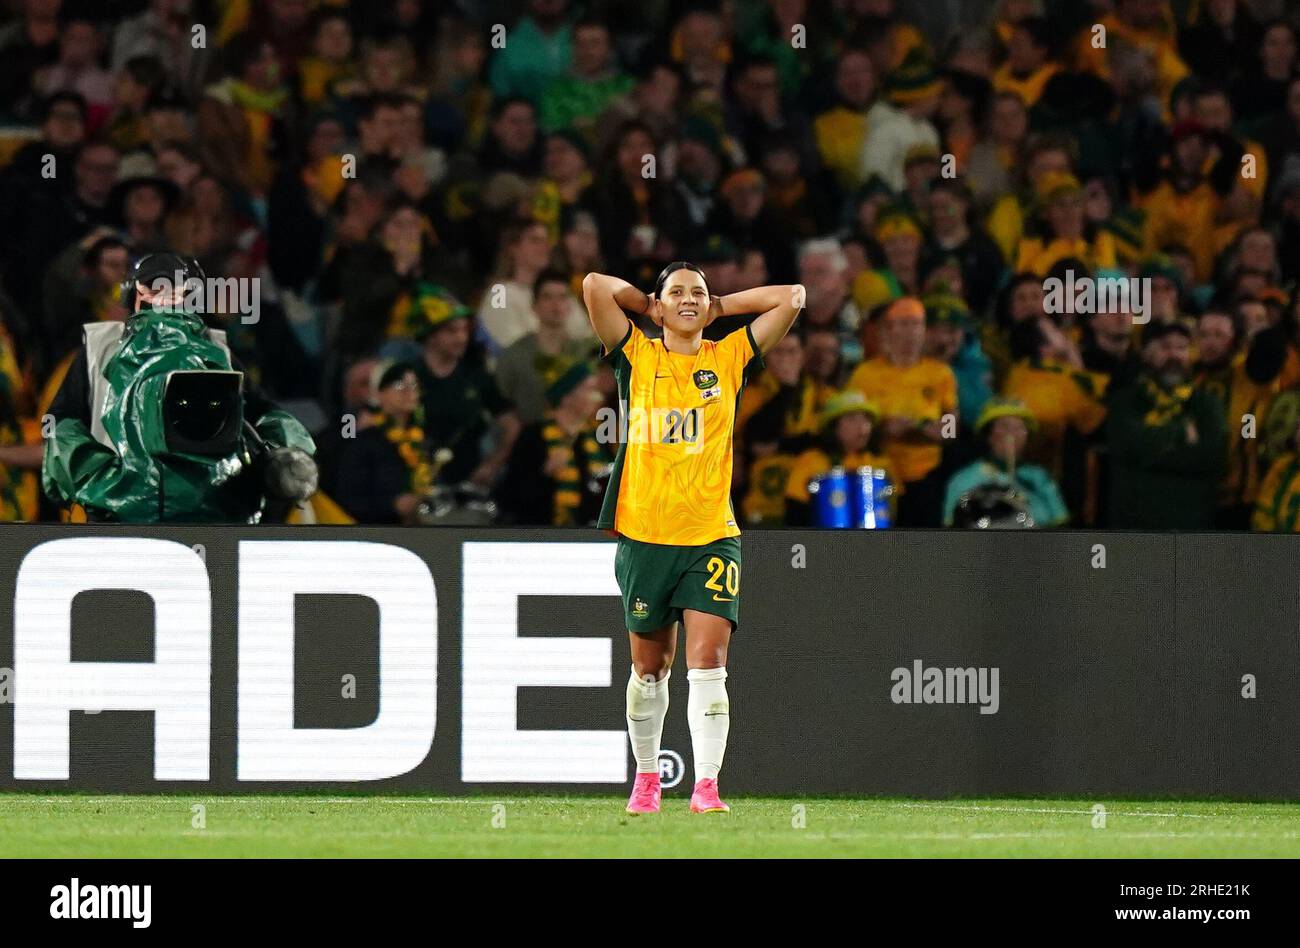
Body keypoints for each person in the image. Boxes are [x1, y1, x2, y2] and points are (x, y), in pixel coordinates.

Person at [582, 261, 803, 815]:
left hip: (711, 533)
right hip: (645, 533)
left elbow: (792, 297)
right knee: (649, 670)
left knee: (709, 661)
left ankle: (706, 787)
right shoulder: (637, 354)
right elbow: (593, 286)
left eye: (697, 293)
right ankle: (648, 778)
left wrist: (721, 306)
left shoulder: (727, 357)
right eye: (676, 292)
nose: (689, 299)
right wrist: (648, 305)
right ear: (657, 304)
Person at [42, 250, 316, 522]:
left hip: (208, 513)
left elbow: (263, 416)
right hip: (130, 519)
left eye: (178, 290)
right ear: (135, 295)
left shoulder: (219, 351)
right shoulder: (99, 349)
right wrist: (109, 483)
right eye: (155, 287)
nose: (166, 296)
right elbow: (59, 427)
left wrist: (280, 457)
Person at [943, 398, 1068, 528]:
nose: (1013, 435)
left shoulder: (1039, 477)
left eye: (1020, 428)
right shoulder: (963, 480)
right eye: (1005, 426)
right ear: (988, 434)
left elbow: (1060, 523)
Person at [334, 361, 431, 525]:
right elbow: (348, 498)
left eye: (414, 385)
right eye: (400, 385)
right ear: (378, 393)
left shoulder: (423, 440)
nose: (409, 392)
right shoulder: (361, 438)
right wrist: (393, 505)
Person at [784, 389, 893, 527]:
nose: (862, 427)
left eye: (866, 419)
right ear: (833, 426)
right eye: (852, 419)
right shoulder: (811, 461)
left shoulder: (880, 463)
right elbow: (795, 512)